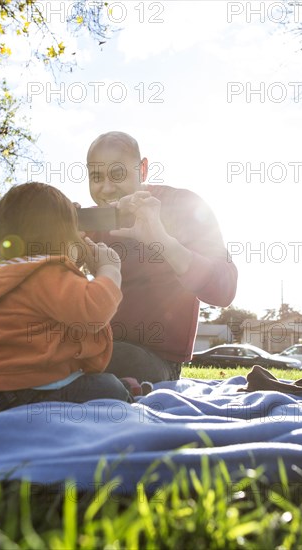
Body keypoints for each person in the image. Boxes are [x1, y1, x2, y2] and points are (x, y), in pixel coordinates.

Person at [0, 182, 132, 411]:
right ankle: (129, 391)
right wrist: (109, 269)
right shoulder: (47, 271)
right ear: (62, 236)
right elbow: (94, 311)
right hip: (25, 392)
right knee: (110, 387)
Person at [85, 131, 238, 383]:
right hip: (99, 346)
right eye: (96, 177)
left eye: (118, 174)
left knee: (94, 359)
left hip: (154, 360)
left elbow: (225, 290)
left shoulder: (184, 206)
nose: (107, 188)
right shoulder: (91, 220)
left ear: (142, 170)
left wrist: (164, 244)